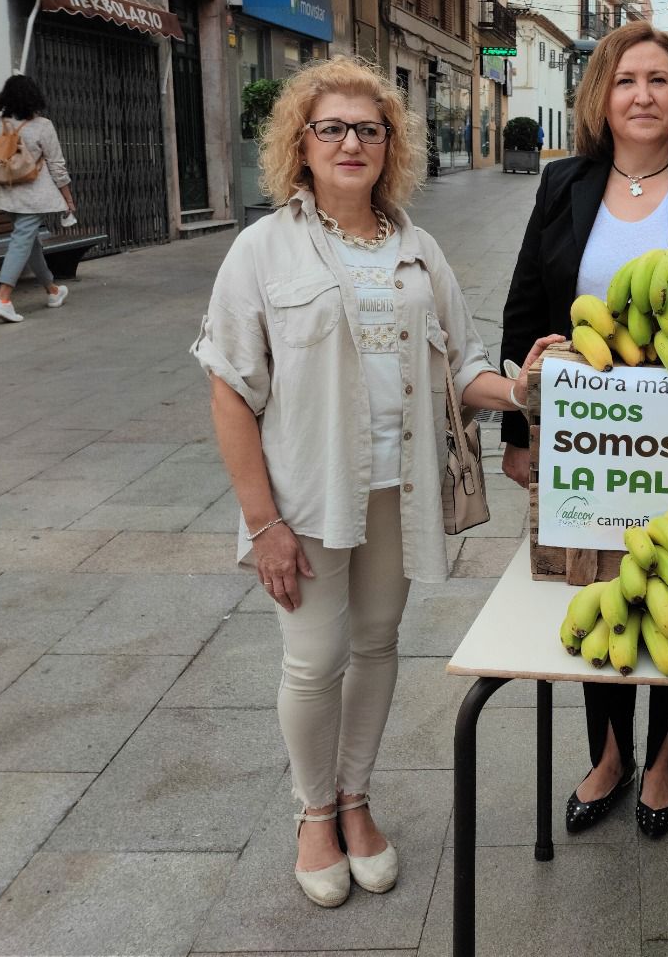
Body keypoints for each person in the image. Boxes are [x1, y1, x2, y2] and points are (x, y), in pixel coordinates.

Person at [192, 57, 559, 908]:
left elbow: (462, 366)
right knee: (314, 659)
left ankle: (356, 799)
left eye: (369, 129)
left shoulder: (418, 249)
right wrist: (263, 523)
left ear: (391, 145)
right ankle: (314, 811)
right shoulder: (262, 249)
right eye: (331, 128)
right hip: (308, 495)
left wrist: (520, 389)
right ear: (301, 144)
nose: (350, 143)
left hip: (401, 490)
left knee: (377, 643)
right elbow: (229, 388)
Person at [500, 21, 668, 839]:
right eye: (626, 81)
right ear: (602, 97)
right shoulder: (564, 184)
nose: (643, 95)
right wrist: (518, 431)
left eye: (659, 80)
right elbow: (526, 302)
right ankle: (610, 753)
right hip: (592, 437)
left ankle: (665, 760)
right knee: (600, 582)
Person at [0, 74, 76, 323]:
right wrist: (68, 198)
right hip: (33, 196)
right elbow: (57, 165)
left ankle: (52, 291)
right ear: (34, 97)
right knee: (22, 241)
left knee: (29, 243)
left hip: (4, 195)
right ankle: (3, 299)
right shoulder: (42, 125)